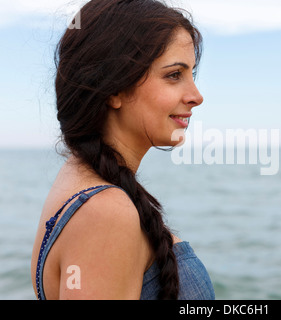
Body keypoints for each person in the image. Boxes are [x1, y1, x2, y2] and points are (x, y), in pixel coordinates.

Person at [31, 0, 215, 300]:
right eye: (173, 75)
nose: (196, 96)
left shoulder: (81, 182)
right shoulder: (106, 213)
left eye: (191, 73)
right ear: (114, 87)